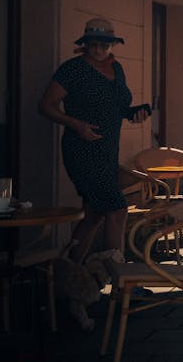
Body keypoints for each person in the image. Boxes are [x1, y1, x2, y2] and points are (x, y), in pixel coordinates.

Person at [38, 18, 149, 260]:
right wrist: (77, 125)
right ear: (85, 44)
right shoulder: (72, 69)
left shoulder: (116, 69)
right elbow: (46, 106)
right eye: (93, 45)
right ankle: (114, 274)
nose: (98, 50)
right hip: (82, 149)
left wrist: (134, 114)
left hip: (108, 150)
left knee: (94, 214)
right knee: (117, 208)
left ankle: (68, 270)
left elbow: (118, 107)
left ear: (112, 45)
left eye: (104, 45)